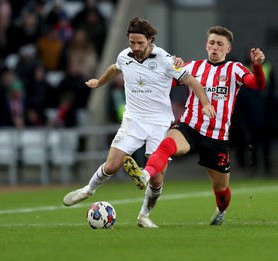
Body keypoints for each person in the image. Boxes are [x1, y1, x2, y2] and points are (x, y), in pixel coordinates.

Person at [62, 17, 215, 228]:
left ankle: (144, 216)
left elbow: (192, 82)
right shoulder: (125, 56)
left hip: (159, 123)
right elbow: (115, 68)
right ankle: (88, 190)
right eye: (132, 42)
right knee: (112, 165)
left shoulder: (164, 59)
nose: (135, 47)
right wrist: (100, 82)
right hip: (133, 120)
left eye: (140, 43)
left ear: (150, 40)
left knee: (157, 179)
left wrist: (205, 103)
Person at [123, 26, 266, 226]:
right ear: (206, 45)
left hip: (216, 137)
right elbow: (164, 84)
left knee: (222, 193)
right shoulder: (192, 67)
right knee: (167, 144)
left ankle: (221, 210)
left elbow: (257, 84)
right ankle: (144, 174)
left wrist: (257, 66)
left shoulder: (234, 69)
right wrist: (165, 66)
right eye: (212, 43)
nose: (215, 47)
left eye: (220, 44)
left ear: (228, 49)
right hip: (189, 127)